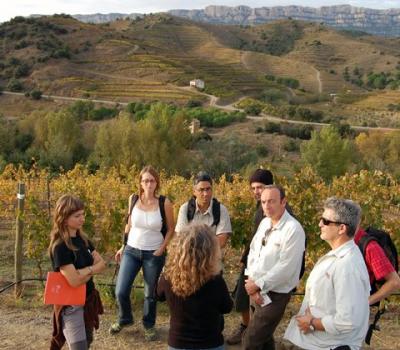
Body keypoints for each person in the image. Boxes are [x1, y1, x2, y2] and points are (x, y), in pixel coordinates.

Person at [284, 197, 370, 350]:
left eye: (325, 221)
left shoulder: (346, 265)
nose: (320, 224)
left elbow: (348, 321)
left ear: (341, 228)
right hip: (322, 343)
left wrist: (311, 322)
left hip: (333, 346)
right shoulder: (338, 256)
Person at [109, 165, 175, 341]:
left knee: (149, 294)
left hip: (153, 253)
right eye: (145, 180)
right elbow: (128, 225)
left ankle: (149, 325)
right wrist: (123, 246)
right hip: (131, 250)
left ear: (157, 183)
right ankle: (125, 318)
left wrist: (161, 249)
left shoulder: (164, 203)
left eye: (152, 180)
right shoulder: (133, 199)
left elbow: (171, 229)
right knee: (121, 290)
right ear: (140, 182)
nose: (149, 183)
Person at [243, 185, 305, 350]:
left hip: (276, 294)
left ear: (283, 202)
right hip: (255, 289)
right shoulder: (264, 223)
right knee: (265, 339)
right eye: (263, 202)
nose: (267, 206)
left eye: (271, 201)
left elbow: (286, 268)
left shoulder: (293, 230)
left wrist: (257, 285)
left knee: (251, 340)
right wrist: (251, 281)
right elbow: (253, 252)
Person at [157, 224, 233, 350]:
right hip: (210, 343)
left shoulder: (168, 277)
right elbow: (227, 307)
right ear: (210, 251)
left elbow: (158, 295)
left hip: (178, 343)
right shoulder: (215, 280)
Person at [49, 195, 106, 350]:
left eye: (83, 214)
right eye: (77, 216)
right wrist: (91, 270)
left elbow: (102, 264)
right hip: (71, 306)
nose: (82, 219)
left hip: (87, 301)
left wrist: (85, 272)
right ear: (64, 218)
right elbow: (73, 282)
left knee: (86, 342)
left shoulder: (84, 241)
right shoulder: (60, 247)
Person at [227, 168, 274, 345]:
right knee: (242, 296)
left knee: (256, 299)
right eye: (253, 188)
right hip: (252, 261)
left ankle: (253, 333)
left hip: (263, 264)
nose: (256, 191)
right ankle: (247, 328)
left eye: (260, 187)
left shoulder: (272, 207)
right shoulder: (260, 205)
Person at [175, 171, 232, 248]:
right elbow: (181, 237)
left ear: (212, 190)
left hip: (213, 258)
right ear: (194, 191)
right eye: (201, 190)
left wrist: (198, 247)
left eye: (208, 189)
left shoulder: (221, 210)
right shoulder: (185, 209)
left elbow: (222, 240)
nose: (205, 194)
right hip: (192, 257)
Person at [354, 227, 400, 306]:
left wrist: (365, 303)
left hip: (356, 310)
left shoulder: (370, 247)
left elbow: (394, 282)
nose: (324, 225)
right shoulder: (342, 245)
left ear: (342, 227)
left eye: (327, 222)